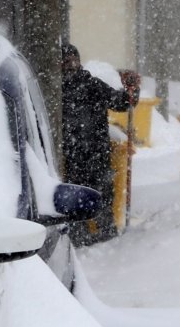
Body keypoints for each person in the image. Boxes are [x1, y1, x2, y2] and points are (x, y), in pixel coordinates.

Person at [60, 44, 140, 244]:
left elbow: (122, 102)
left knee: (101, 195)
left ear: (78, 62)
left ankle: (106, 235)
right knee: (74, 199)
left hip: (96, 154)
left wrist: (132, 90)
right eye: (64, 61)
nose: (68, 65)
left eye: (72, 61)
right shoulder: (55, 88)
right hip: (70, 156)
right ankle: (78, 237)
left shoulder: (91, 85)